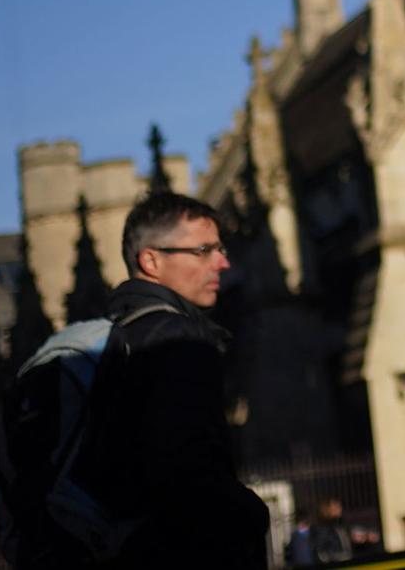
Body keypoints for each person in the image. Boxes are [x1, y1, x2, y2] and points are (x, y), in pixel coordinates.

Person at [96, 192, 270, 568]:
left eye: (220, 249)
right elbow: (191, 473)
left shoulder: (111, 337)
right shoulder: (178, 337)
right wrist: (252, 514)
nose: (223, 262)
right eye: (203, 251)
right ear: (151, 260)